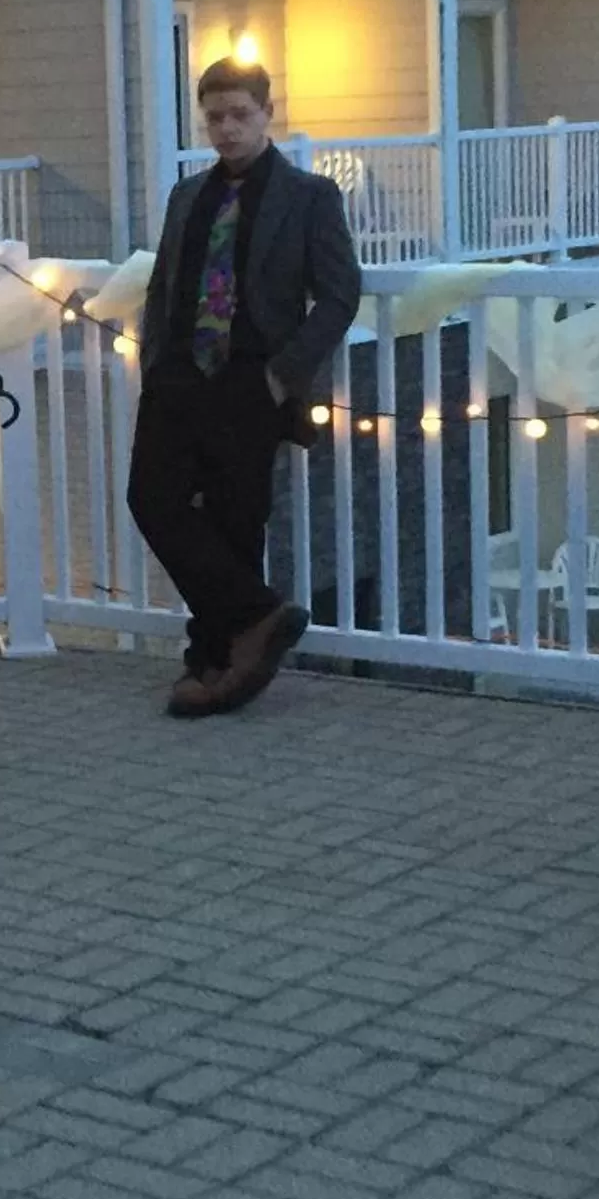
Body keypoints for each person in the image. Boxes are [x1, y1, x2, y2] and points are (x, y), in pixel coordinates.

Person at [129, 57, 362, 718]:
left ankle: (213, 664)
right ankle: (261, 615)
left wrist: (279, 375)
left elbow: (341, 295)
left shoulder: (310, 196)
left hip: (249, 381)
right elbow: (163, 286)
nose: (226, 130)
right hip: (177, 377)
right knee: (151, 498)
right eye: (215, 118)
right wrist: (154, 362)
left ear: (266, 114)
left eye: (239, 116)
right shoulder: (187, 196)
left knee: (235, 522)